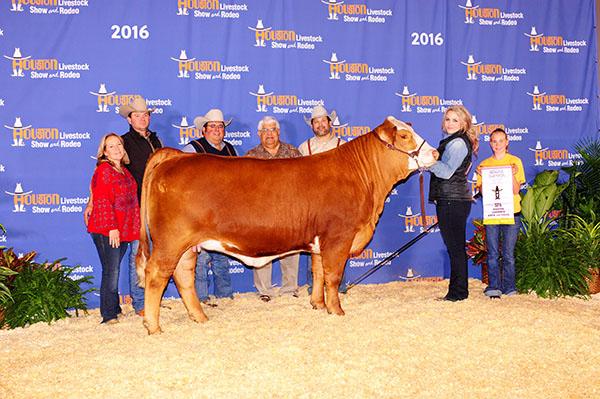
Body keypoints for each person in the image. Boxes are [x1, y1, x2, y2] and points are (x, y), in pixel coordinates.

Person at [85, 96, 162, 317]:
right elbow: (100, 185)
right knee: (129, 260)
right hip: (127, 216)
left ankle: (145, 300)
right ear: (129, 119)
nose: (142, 118)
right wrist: (91, 202)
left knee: (146, 255)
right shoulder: (124, 142)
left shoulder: (154, 142)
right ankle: (136, 304)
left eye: (146, 114)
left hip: (147, 210)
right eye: (137, 115)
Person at [245, 116, 302, 302]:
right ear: (259, 134)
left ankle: (290, 288)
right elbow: (244, 187)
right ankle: (264, 290)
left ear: (278, 132)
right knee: (262, 249)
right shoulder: (251, 156)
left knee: (292, 249)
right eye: (265, 131)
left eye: (272, 130)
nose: (269, 134)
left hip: (290, 209)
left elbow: (305, 181)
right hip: (261, 212)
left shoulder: (293, 152)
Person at [183, 108, 236, 304]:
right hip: (201, 210)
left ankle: (225, 294)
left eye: (220, 126)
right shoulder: (192, 149)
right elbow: (183, 181)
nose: (216, 129)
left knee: (223, 253)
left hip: (224, 210)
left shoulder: (230, 149)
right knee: (202, 257)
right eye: (212, 126)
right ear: (203, 130)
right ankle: (201, 297)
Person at [86, 134, 140, 324]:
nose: (116, 148)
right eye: (111, 146)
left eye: (119, 144)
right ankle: (108, 314)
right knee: (111, 271)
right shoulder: (104, 170)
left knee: (113, 268)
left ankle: (114, 307)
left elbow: (132, 202)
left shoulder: (123, 170)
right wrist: (112, 228)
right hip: (106, 229)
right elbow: (102, 201)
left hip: (123, 229)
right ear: (104, 152)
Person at [427, 105, 479, 302]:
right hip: (452, 199)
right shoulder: (455, 141)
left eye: (455, 120)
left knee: (455, 247)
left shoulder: (457, 143)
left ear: (464, 124)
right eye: (447, 119)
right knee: (455, 247)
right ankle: (458, 291)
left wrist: (429, 161)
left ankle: (458, 293)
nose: (449, 123)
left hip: (452, 200)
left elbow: (447, 171)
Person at [298, 105, 348, 294]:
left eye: (323, 121)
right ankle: (315, 286)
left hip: (336, 204)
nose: (320, 124)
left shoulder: (343, 146)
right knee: (312, 244)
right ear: (312, 125)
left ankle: (339, 285)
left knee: (338, 243)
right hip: (312, 205)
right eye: (316, 121)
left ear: (329, 123)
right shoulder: (304, 147)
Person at [475, 128, 525, 298]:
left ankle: (510, 287)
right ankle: (493, 286)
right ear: (490, 144)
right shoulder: (483, 165)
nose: (497, 144)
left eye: (500, 141)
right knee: (493, 253)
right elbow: (482, 192)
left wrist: (511, 175)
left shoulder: (515, 162)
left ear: (507, 142)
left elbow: (517, 190)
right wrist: (481, 178)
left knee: (509, 254)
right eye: (494, 141)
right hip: (493, 214)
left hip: (512, 213)